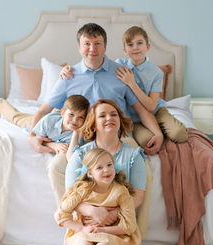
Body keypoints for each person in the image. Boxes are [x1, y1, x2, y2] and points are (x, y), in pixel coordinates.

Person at [27, 23, 163, 156]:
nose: (92, 49)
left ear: (105, 47)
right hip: (82, 141)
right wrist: (32, 137)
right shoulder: (68, 76)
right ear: (79, 48)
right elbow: (44, 110)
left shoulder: (121, 73)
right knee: (56, 169)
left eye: (97, 43)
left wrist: (158, 134)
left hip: (119, 137)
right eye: (87, 44)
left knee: (139, 163)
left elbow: (141, 110)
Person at [60, 26, 188, 147]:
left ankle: (160, 129)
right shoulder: (119, 66)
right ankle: (153, 129)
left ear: (148, 46)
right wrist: (66, 69)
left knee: (179, 134)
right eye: (130, 45)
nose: (135, 48)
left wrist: (131, 83)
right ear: (125, 50)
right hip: (133, 117)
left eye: (139, 43)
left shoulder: (156, 72)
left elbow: (150, 106)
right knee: (146, 140)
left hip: (154, 110)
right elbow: (99, 68)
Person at [55, 148, 141, 245]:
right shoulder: (83, 190)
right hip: (85, 231)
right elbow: (61, 215)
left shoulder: (120, 191)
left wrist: (102, 230)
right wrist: (81, 229)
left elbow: (129, 226)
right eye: (99, 167)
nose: (106, 170)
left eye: (109, 165)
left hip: (112, 233)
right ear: (90, 173)